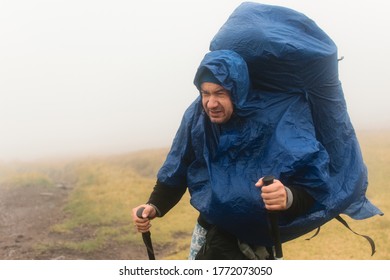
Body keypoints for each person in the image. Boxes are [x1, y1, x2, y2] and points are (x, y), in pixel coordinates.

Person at [132, 3, 382, 260]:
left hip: (259, 246)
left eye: (220, 93)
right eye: (205, 93)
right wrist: (154, 205)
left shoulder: (279, 118)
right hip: (208, 233)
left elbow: (314, 183)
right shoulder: (197, 117)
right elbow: (179, 166)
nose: (211, 103)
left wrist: (287, 196)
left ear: (238, 90)